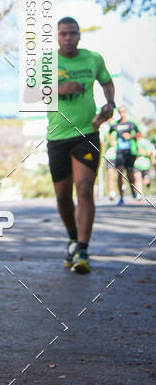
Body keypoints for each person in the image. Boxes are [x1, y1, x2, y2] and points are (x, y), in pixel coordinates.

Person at [46, 17, 115, 273]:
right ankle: (73, 238)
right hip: (57, 136)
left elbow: (107, 81)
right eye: (63, 34)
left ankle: (83, 248)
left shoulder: (93, 59)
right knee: (63, 197)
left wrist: (110, 103)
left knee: (84, 189)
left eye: (72, 33)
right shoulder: (47, 62)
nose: (68, 38)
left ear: (79, 35)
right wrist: (60, 89)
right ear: (57, 36)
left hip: (87, 132)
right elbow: (30, 93)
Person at [108, 106, 142, 203]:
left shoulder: (131, 123)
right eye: (120, 111)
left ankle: (132, 190)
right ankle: (121, 198)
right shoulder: (116, 124)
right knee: (120, 173)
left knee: (130, 175)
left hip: (130, 152)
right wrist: (112, 141)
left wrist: (130, 136)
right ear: (118, 112)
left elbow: (139, 134)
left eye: (123, 111)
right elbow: (109, 134)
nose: (122, 113)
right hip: (120, 152)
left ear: (126, 112)